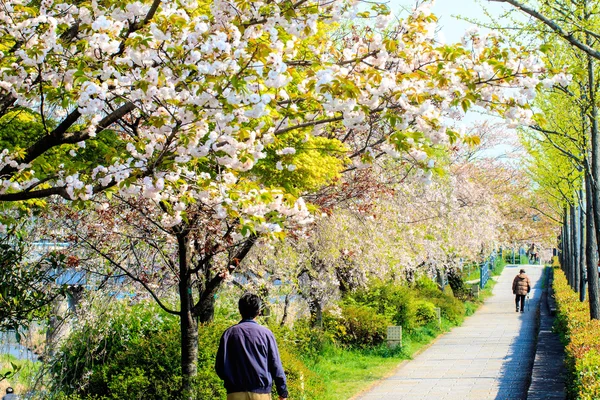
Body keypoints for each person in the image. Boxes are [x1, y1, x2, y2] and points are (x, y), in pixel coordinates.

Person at [216, 293, 288, 400]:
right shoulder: (266, 334)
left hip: (235, 393)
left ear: (240, 310)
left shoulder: (229, 334)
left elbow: (220, 367)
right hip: (261, 394)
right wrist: (282, 391)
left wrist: (231, 380)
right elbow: (275, 365)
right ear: (258, 312)